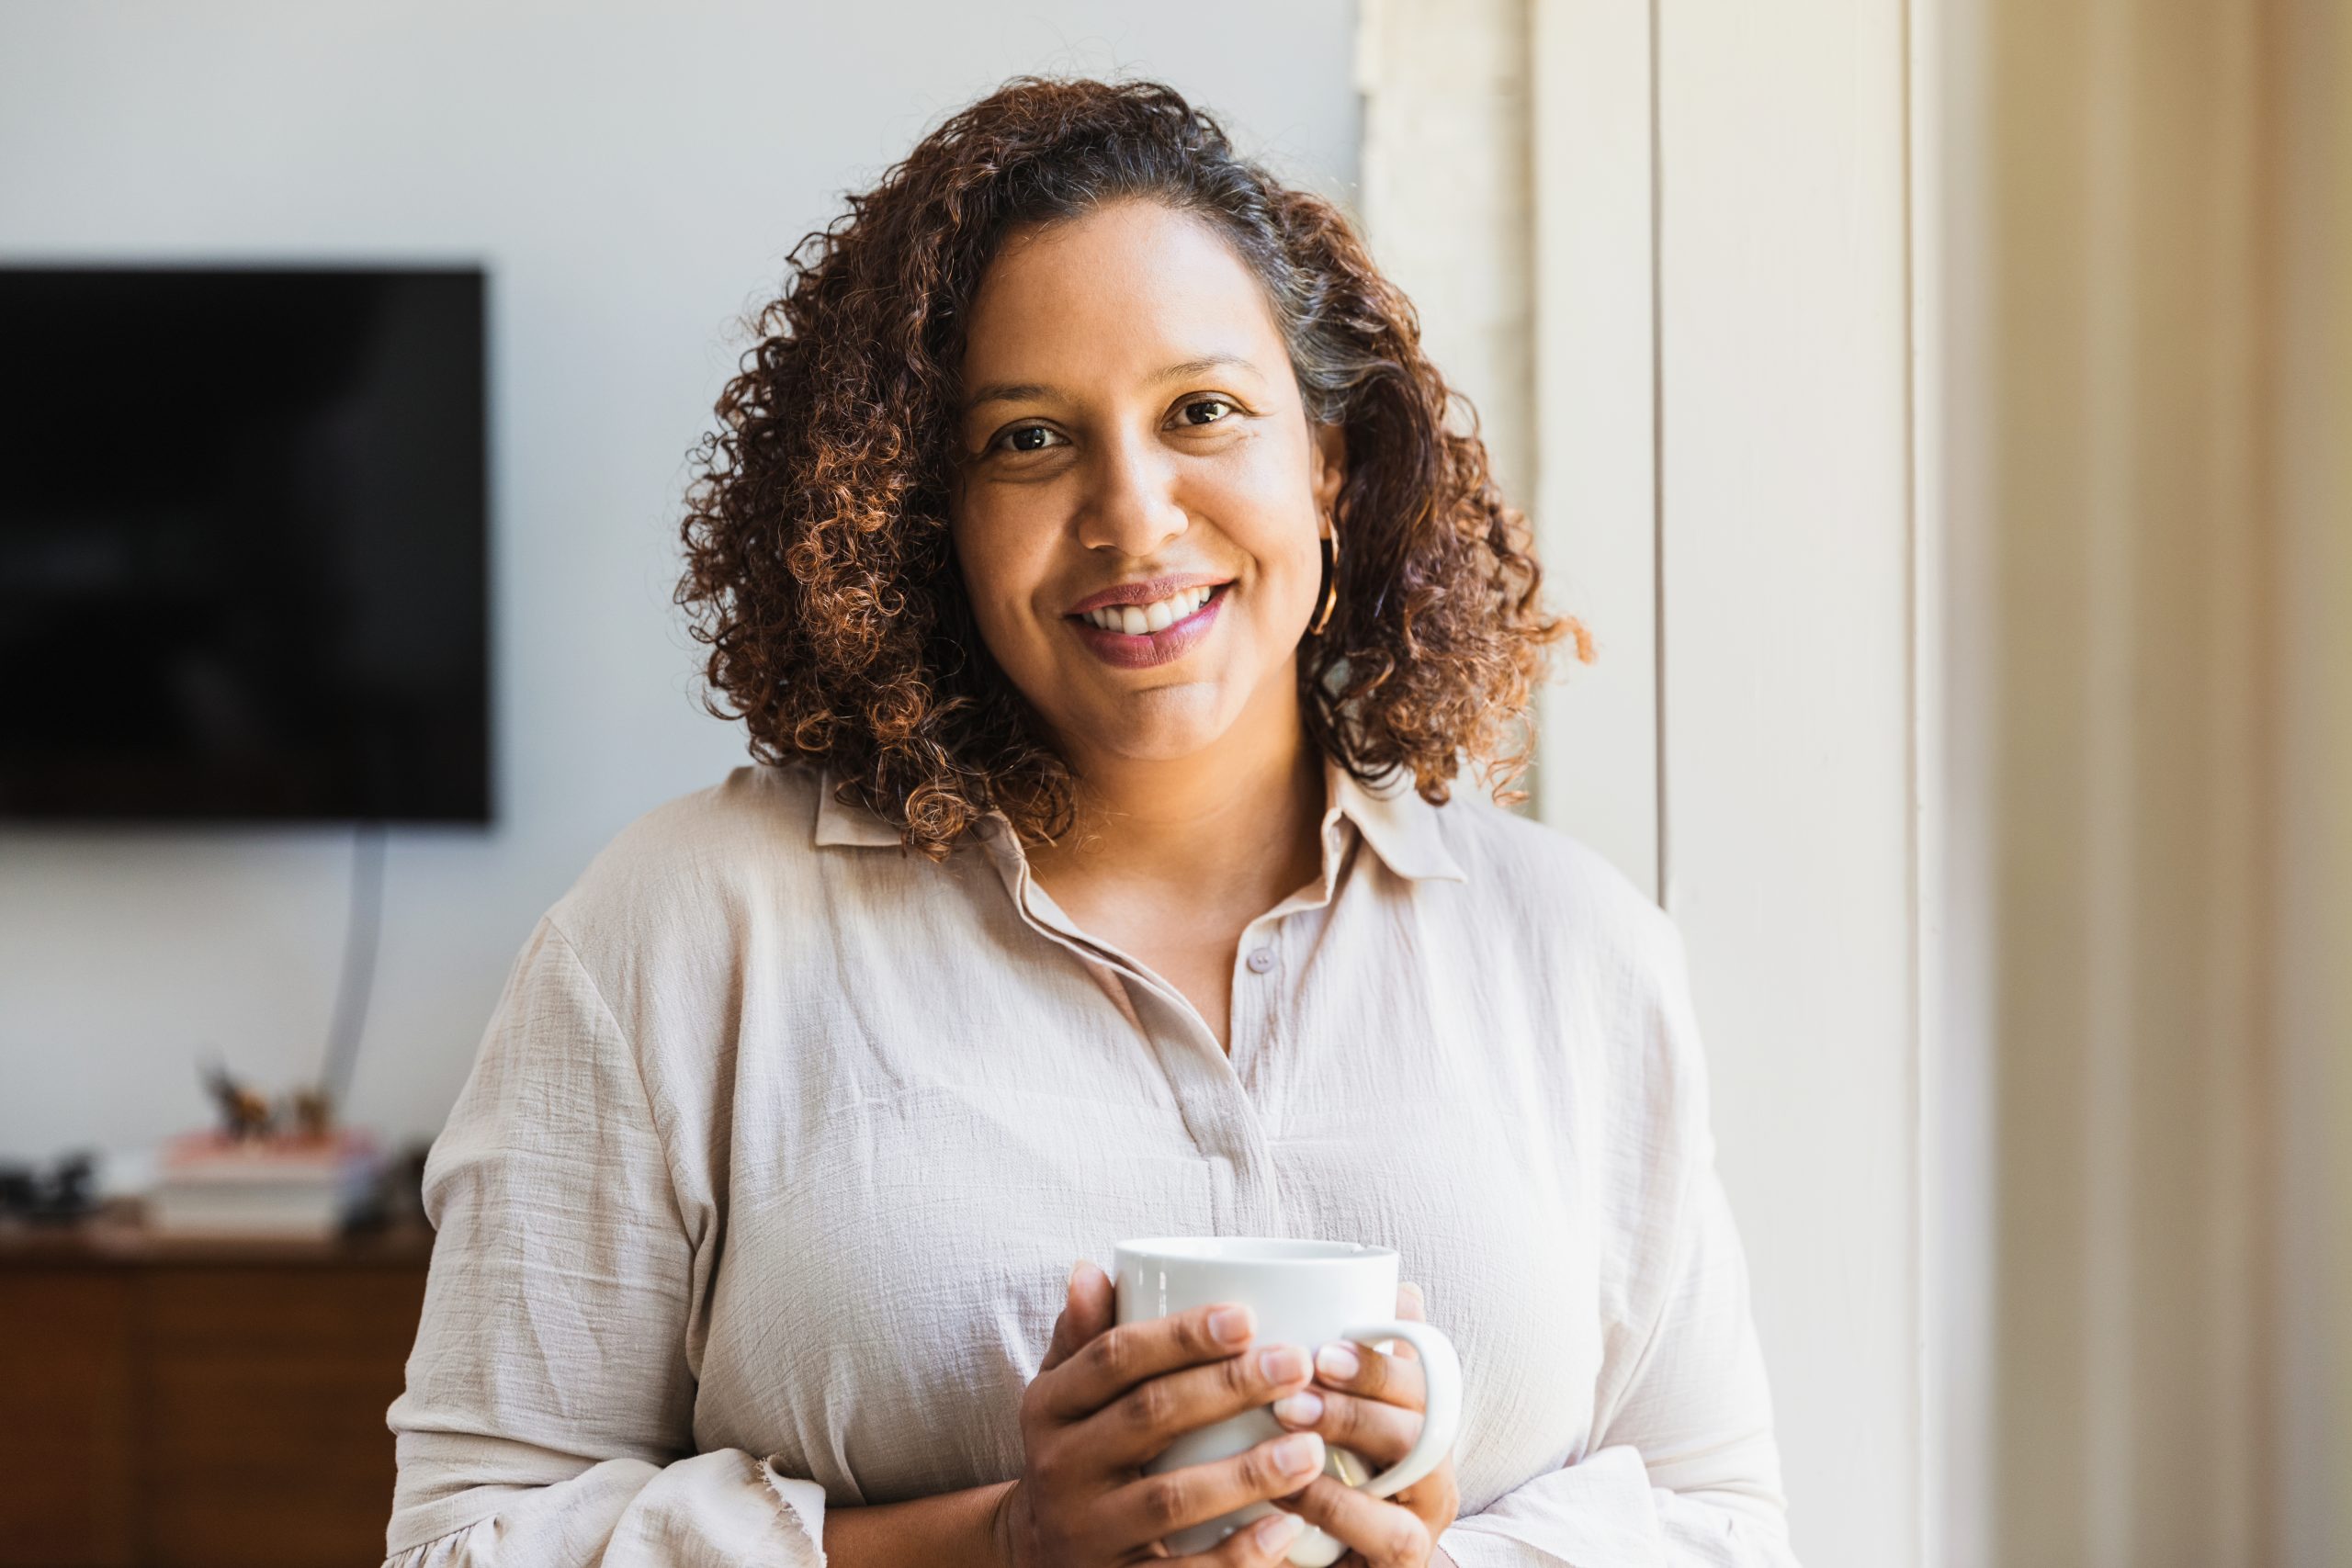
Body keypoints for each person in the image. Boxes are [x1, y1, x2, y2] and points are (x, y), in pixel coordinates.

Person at [382, 75, 1802, 1568]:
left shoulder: (1577, 953)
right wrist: (997, 1542)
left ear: (1325, 464)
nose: (1133, 516)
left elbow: (1720, 1524)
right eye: (1028, 441)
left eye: (1204, 412)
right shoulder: (682, 933)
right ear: (925, 513)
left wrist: (1426, 1557)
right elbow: (466, 1546)